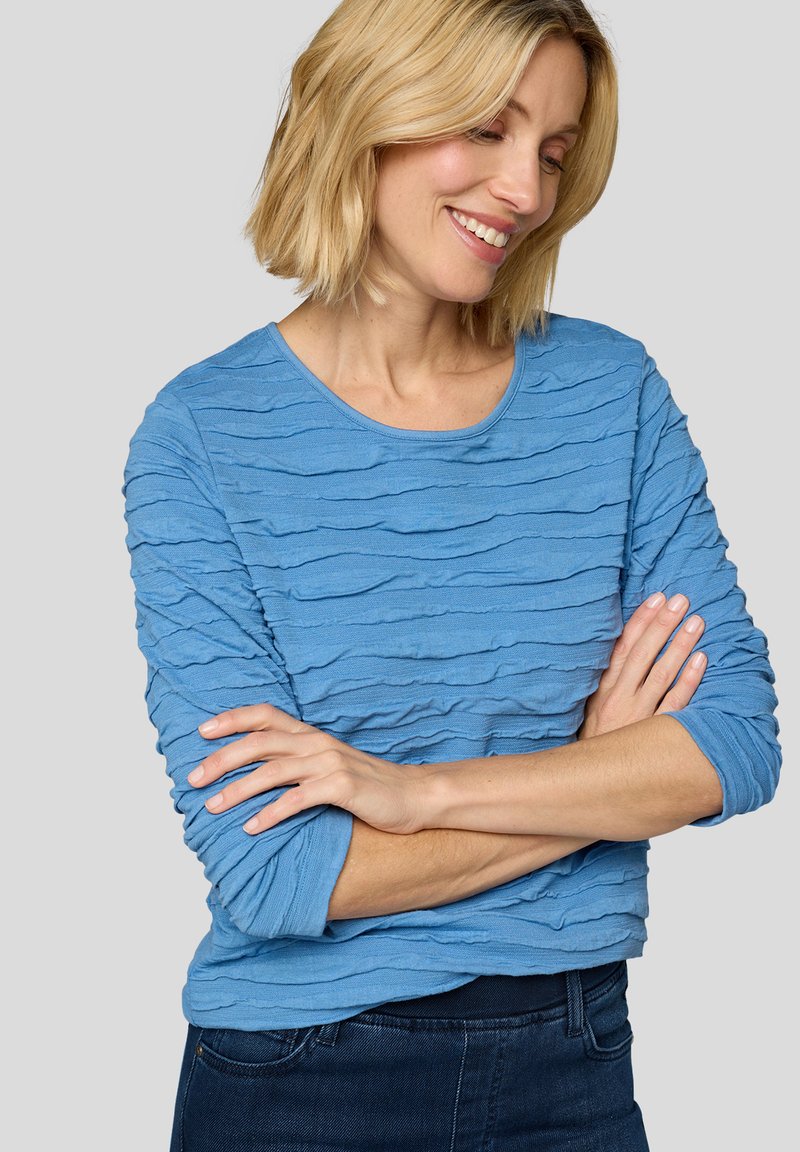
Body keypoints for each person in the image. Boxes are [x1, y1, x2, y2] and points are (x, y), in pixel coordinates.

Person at [121, 1, 781, 1148]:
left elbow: (730, 747)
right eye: (484, 128)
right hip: (299, 1080)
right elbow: (280, 876)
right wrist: (596, 776)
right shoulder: (204, 433)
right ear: (368, 112)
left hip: (573, 1063)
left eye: (553, 152)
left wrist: (414, 795)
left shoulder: (609, 393)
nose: (524, 189)